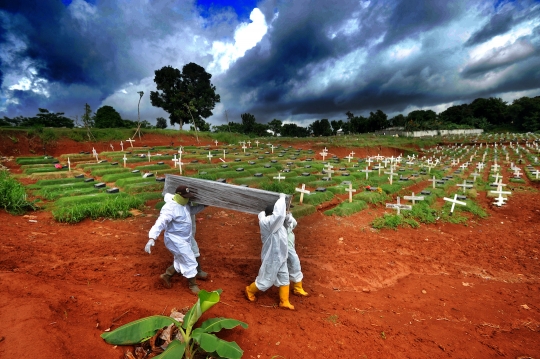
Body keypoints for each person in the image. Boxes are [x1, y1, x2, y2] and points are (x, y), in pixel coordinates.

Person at [145, 185, 206, 294]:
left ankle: (166, 276)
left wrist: (205, 205)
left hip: (184, 239)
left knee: (180, 259)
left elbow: (192, 210)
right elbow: (160, 223)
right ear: (178, 195)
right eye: (185, 197)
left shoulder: (184, 204)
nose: (187, 199)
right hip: (174, 240)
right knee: (190, 259)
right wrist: (152, 237)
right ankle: (193, 285)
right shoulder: (170, 208)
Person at [245, 193, 295, 310]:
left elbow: (288, 223)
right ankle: (249, 290)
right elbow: (278, 216)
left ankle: (284, 301)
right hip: (272, 258)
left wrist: (288, 216)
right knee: (266, 279)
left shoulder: (276, 225)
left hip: (281, 257)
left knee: (284, 277)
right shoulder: (268, 222)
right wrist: (282, 198)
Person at [284, 211, 308, 297]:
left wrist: (288, 214)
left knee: (293, 265)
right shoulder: (280, 220)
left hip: (288, 247)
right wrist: (288, 215)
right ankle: (297, 288)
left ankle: (297, 288)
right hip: (286, 248)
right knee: (295, 265)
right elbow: (291, 222)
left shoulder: (286, 218)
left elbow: (294, 223)